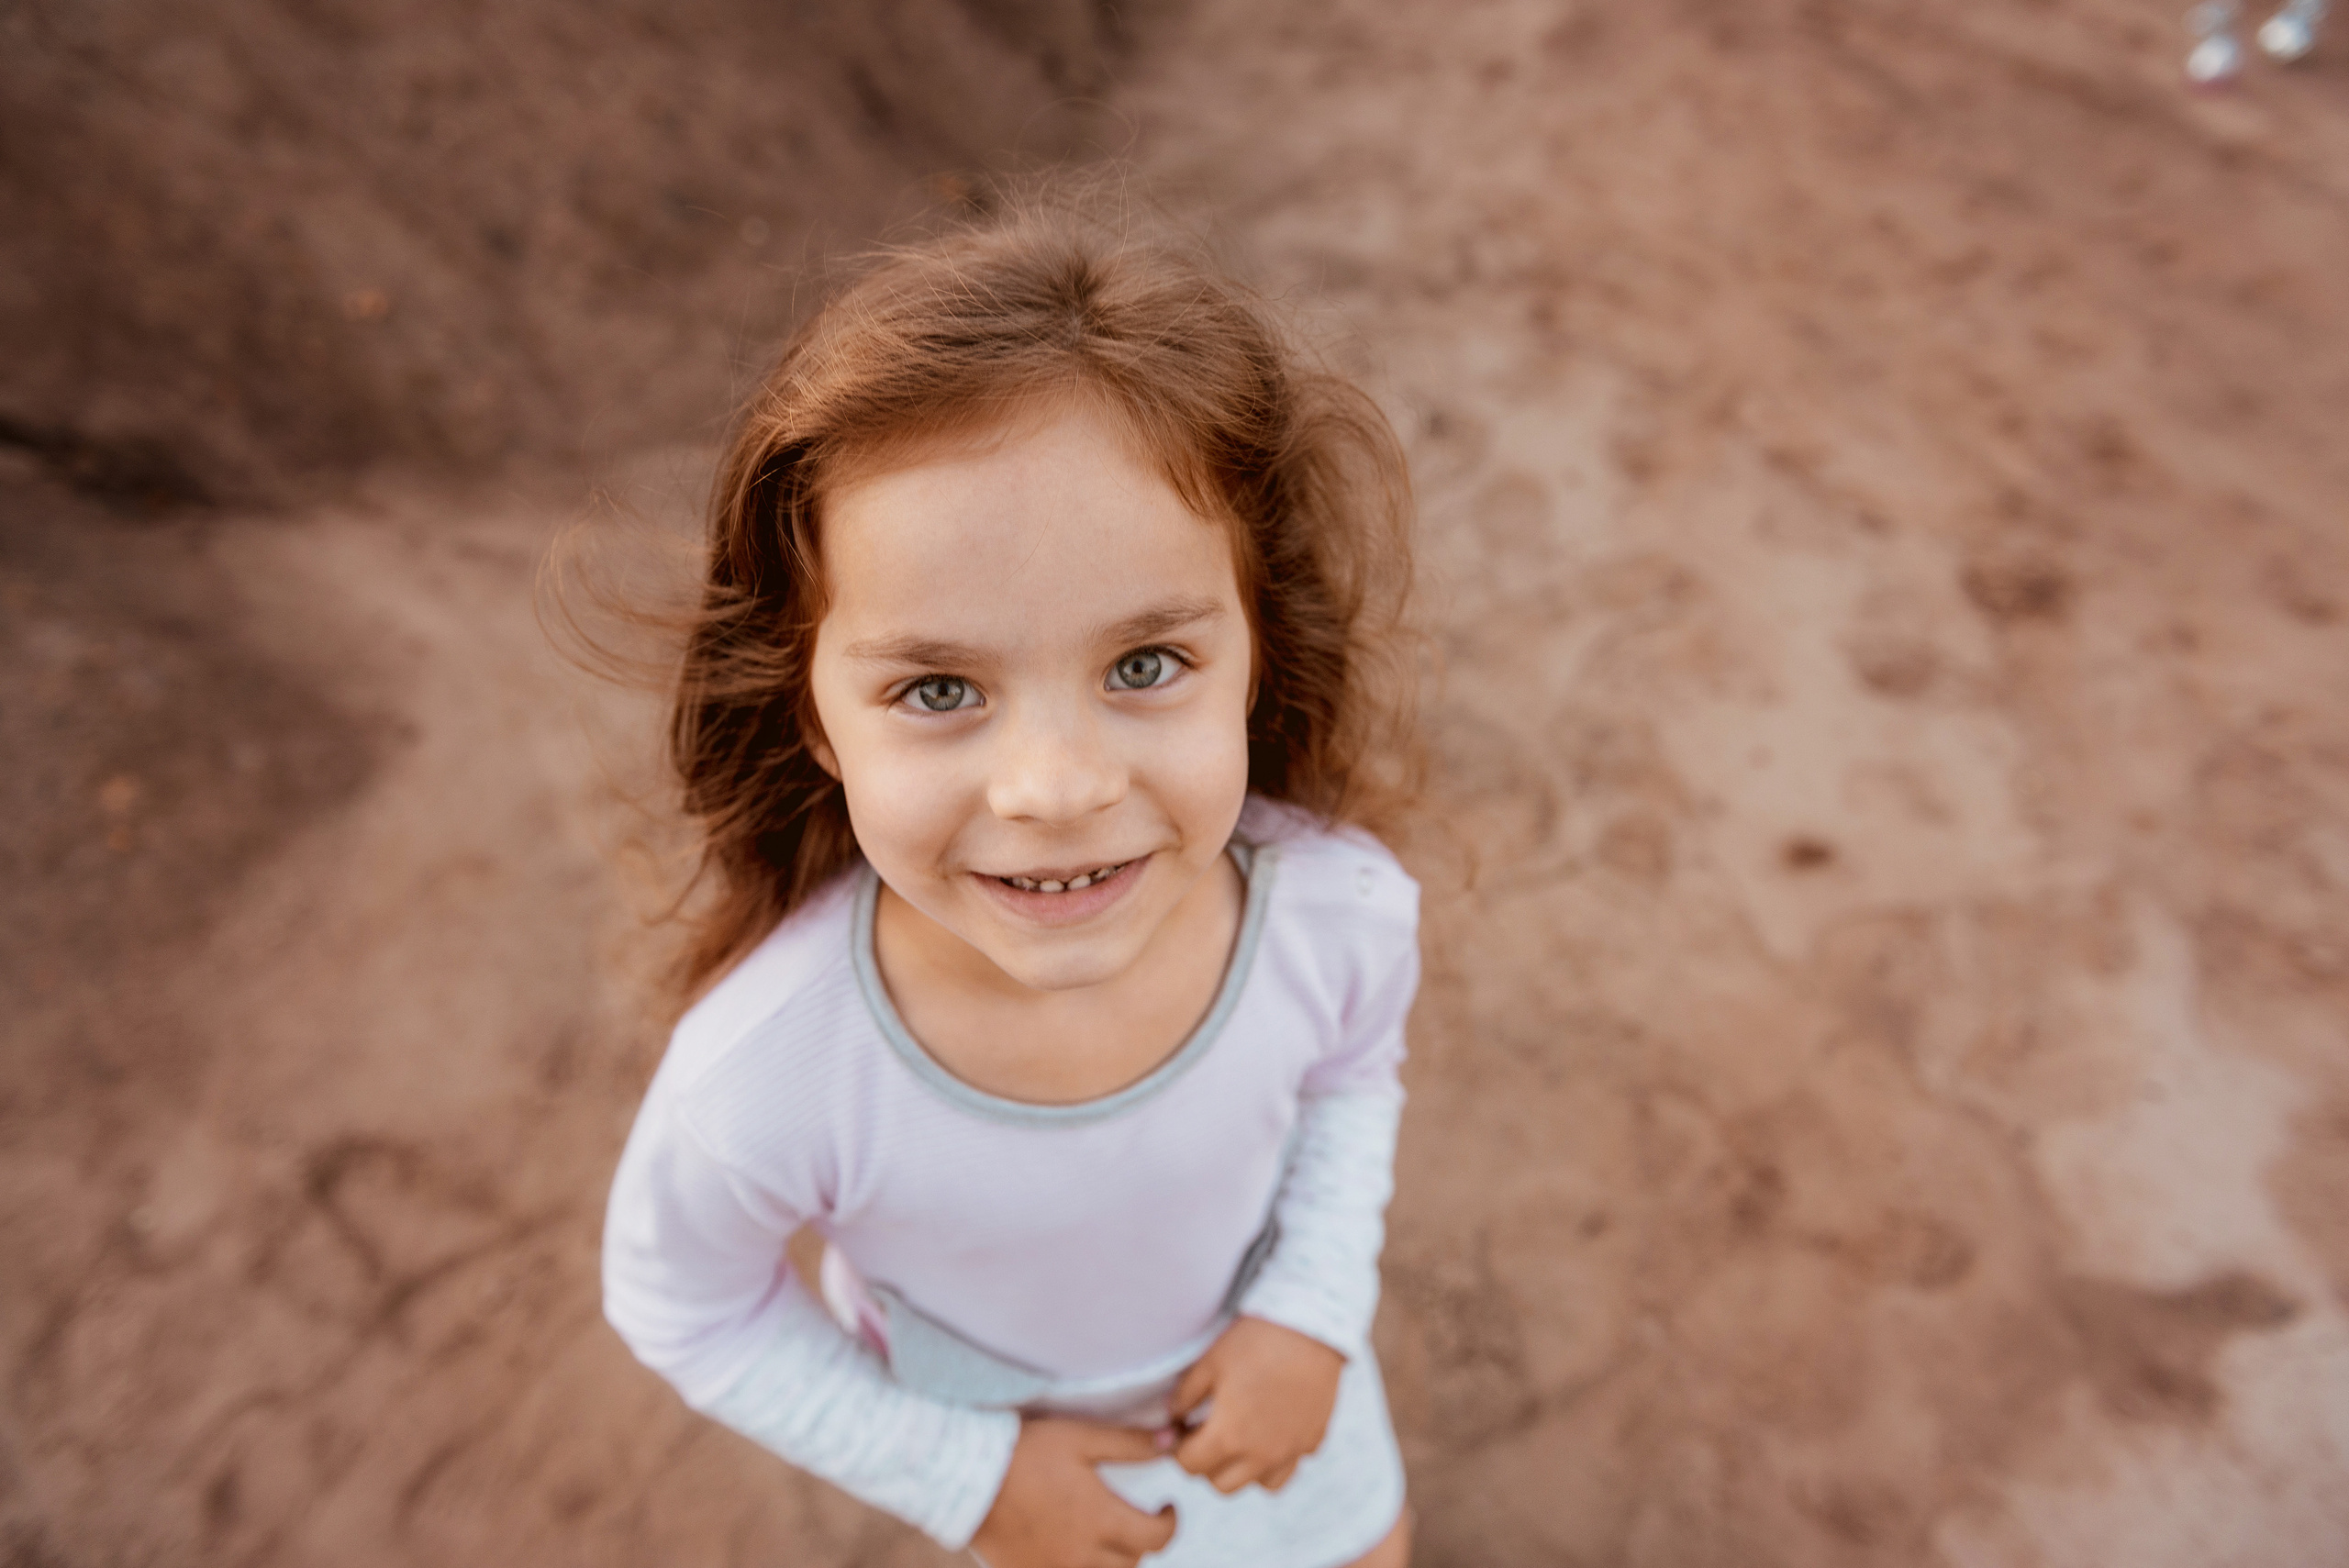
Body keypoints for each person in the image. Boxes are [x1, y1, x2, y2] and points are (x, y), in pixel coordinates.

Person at [600, 194, 1421, 1568]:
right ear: (814, 715)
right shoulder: (764, 1074)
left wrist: (1313, 1310)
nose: (1056, 786)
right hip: (1046, 1509)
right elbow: (683, 1300)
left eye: (1145, 665)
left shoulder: (1338, 912)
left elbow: (1350, 1075)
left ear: (1258, 646)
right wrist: (970, 1475)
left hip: (1297, 1422)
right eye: (936, 687)